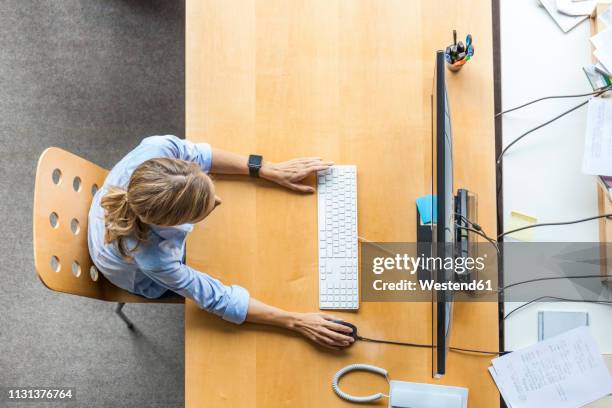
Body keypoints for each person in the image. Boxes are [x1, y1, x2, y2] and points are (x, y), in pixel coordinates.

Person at [88, 135, 354, 349]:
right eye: (204, 209)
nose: (219, 202)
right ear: (171, 224)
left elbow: (202, 156)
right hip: (132, 275)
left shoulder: (159, 149)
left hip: (120, 224)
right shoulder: (154, 258)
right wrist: (296, 322)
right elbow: (218, 300)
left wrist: (265, 169)